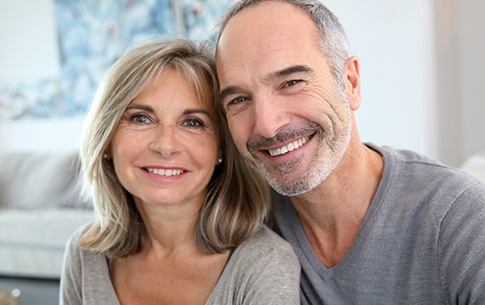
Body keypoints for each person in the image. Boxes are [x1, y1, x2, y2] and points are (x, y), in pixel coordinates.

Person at [215, 0, 485, 304]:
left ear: (351, 82)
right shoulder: (245, 222)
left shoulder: (459, 218)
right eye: (238, 100)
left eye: (292, 82)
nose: (266, 125)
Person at [59, 38, 300, 305]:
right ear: (106, 140)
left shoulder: (264, 264)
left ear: (221, 148)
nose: (165, 145)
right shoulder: (85, 254)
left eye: (193, 123)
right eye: (141, 118)